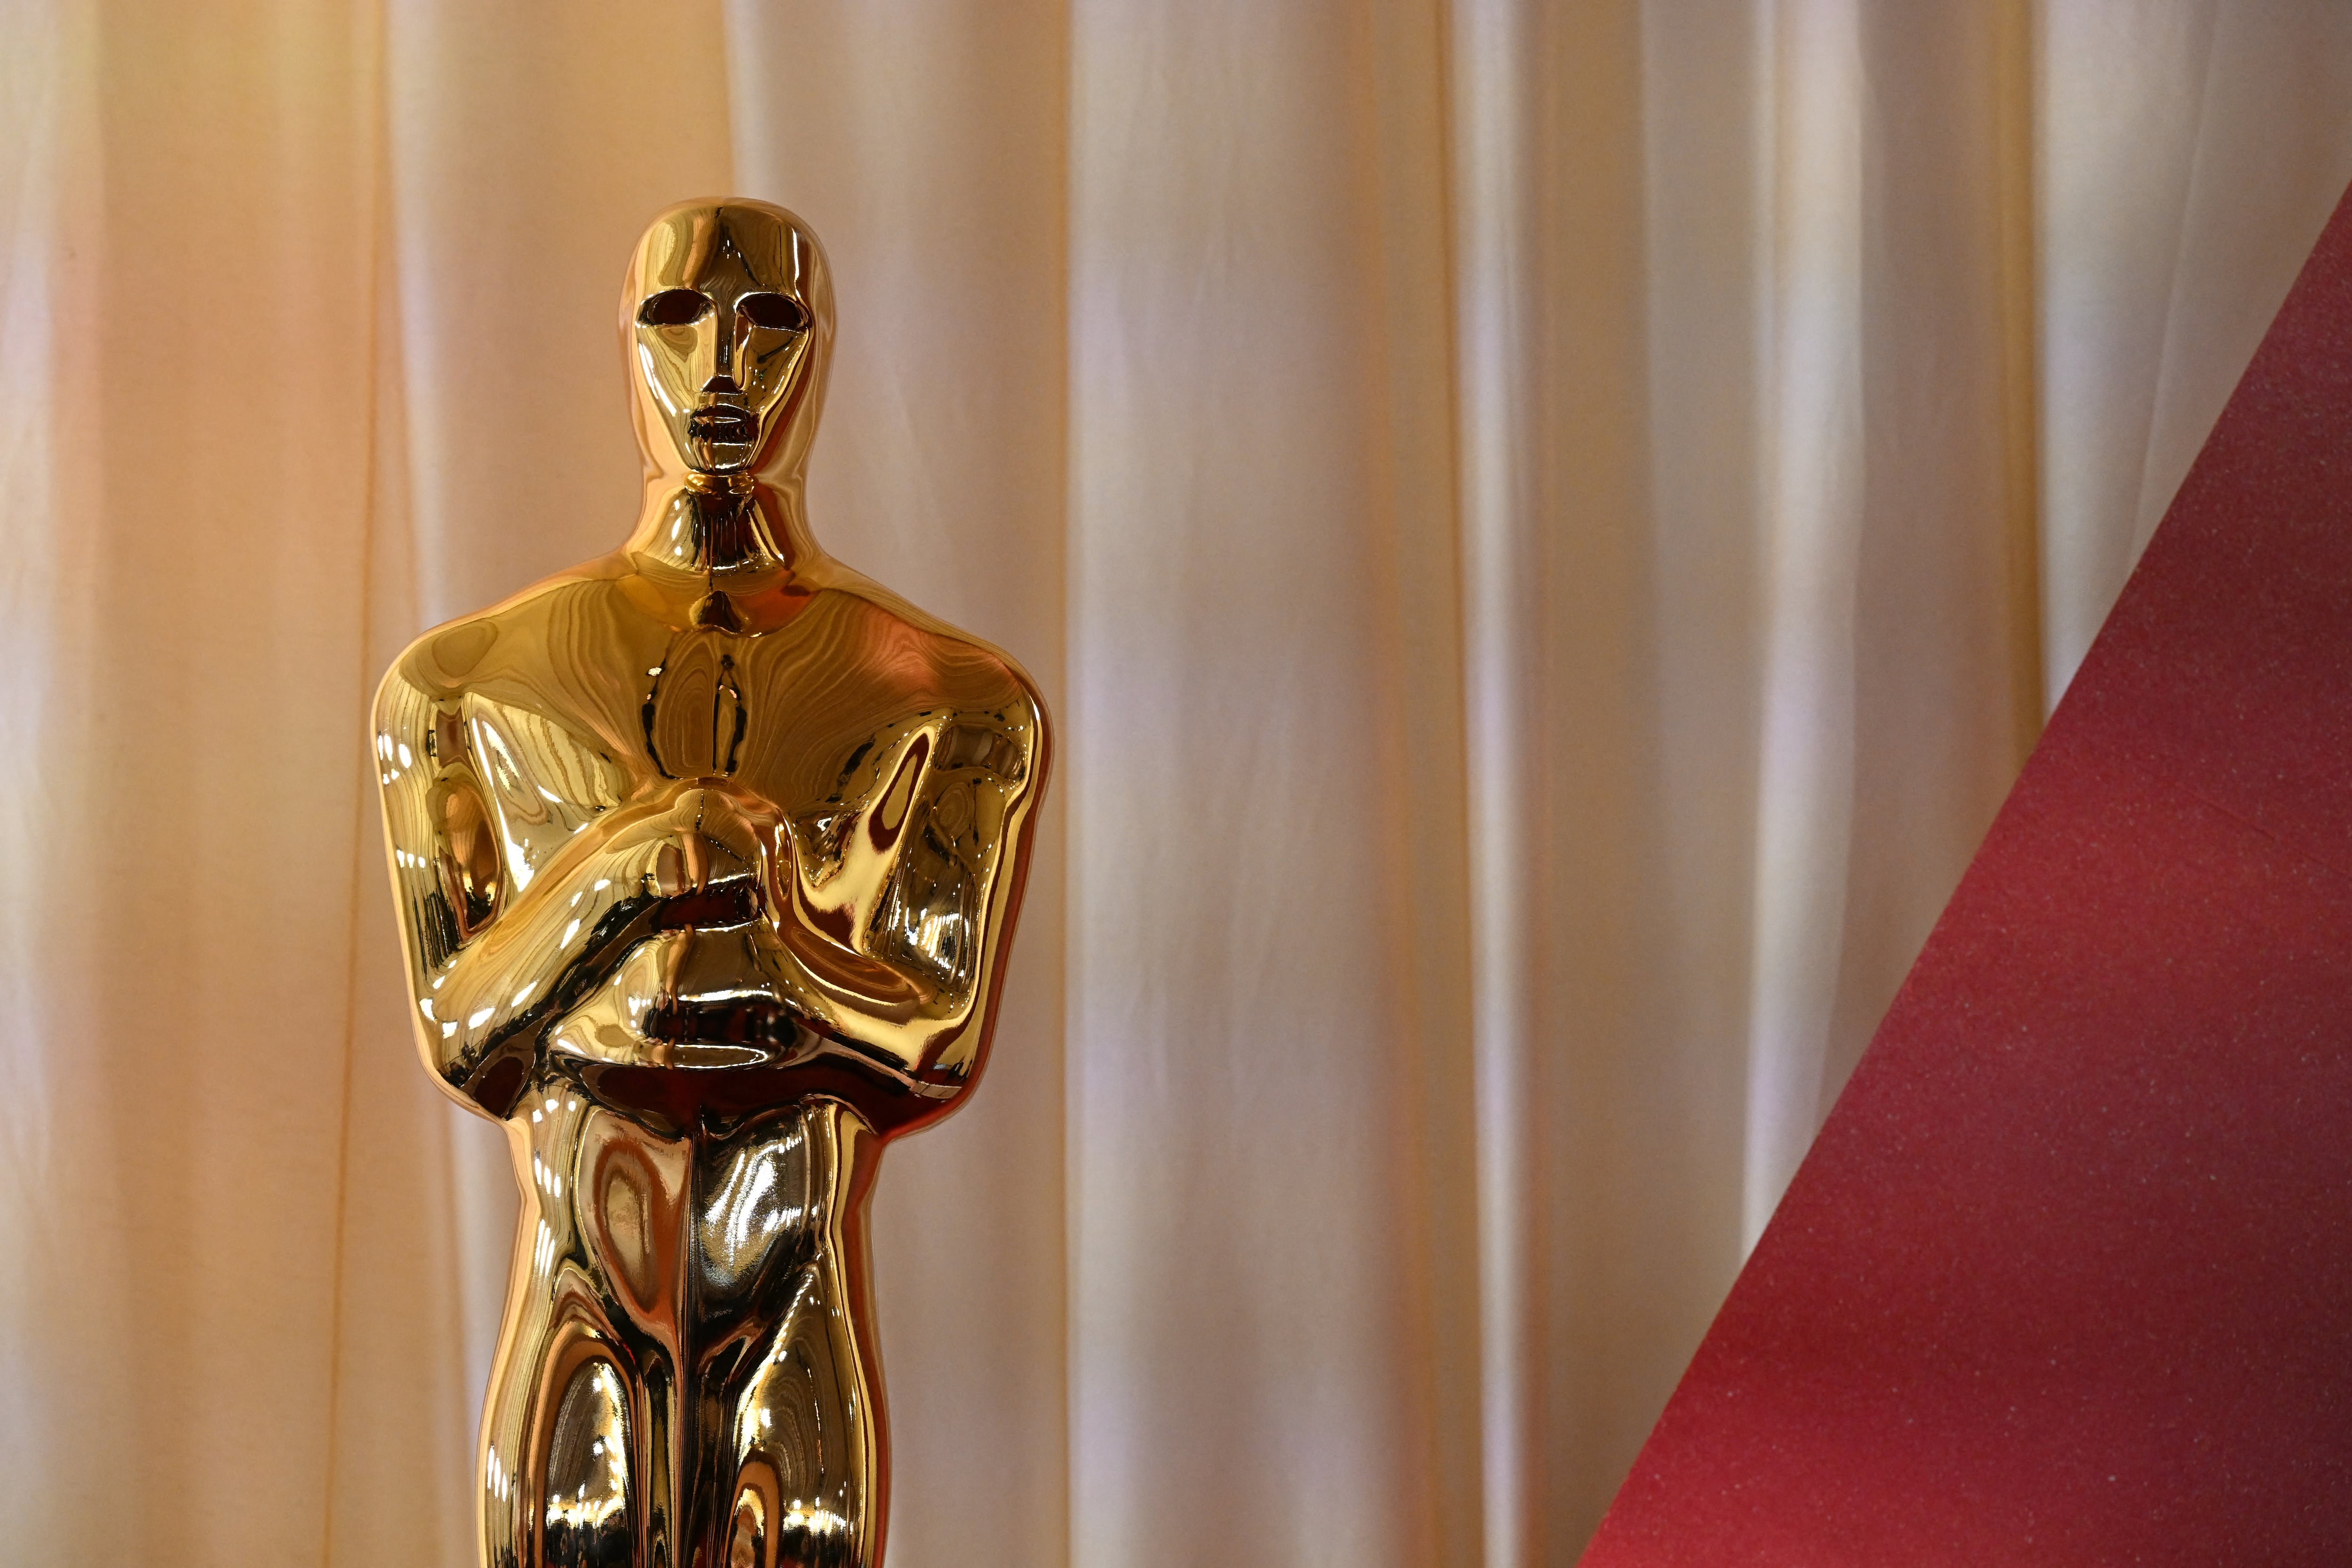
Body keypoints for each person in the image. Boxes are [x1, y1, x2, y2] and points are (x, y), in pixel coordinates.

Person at [373, 198, 1049, 1568]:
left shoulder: (948, 702)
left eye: (769, 322)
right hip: (581, 1282)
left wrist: (773, 928)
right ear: (628, 345)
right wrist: (628, 873)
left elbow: (937, 1042)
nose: (722, 370)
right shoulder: (468, 689)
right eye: (678, 320)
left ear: (824, 351)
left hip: (789, 1278)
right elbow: (459, 1034)